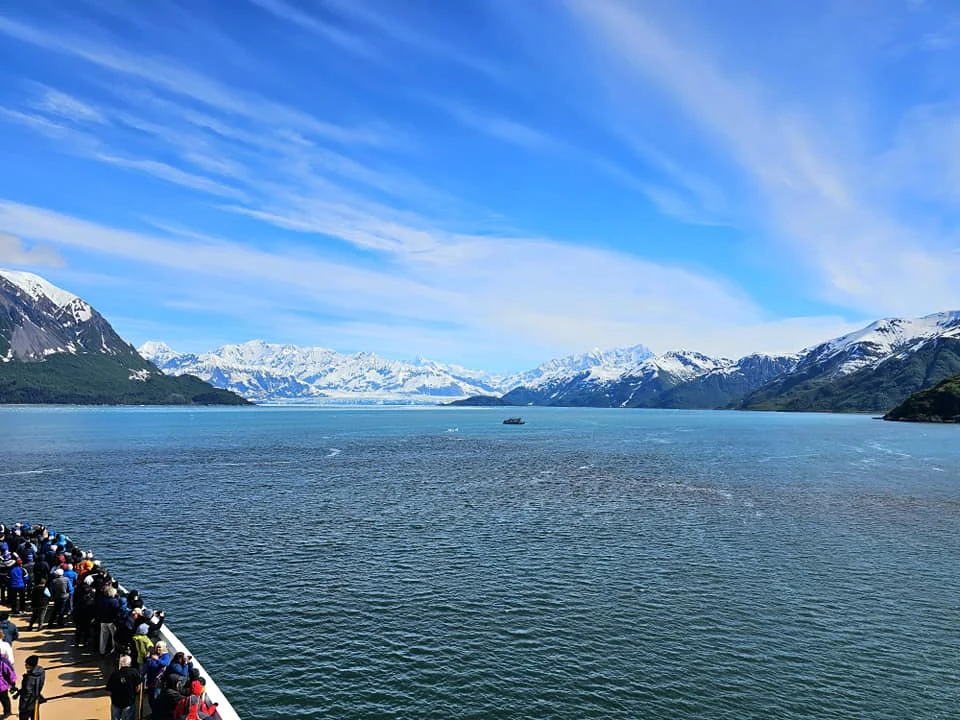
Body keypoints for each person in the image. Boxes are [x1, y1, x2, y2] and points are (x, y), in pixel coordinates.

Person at [105, 654, 141, 720]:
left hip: (116, 702)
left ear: (120, 664)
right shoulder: (134, 672)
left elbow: (109, 690)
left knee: (115, 718)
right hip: (129, 701)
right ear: (130, 663)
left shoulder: (114, 674)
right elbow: (138, 687)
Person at [13, 654, 43, 720]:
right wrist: (17, 694)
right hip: (36, 699)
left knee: (23, 717)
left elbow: (27, 691)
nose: (25, 665)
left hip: (28, 704)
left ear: (31, 666)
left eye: (27, 664)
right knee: (35, 717)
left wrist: (23, 707)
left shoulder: (30, 678)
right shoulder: (40, 671)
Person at [0, 650, 15, 719]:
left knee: (4, 699)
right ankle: (7, 712)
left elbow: (9, 672)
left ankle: (7, 712)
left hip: (2, 685)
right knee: (4, 699)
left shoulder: (3, 661)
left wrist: (12, 682)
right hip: (2, 684)